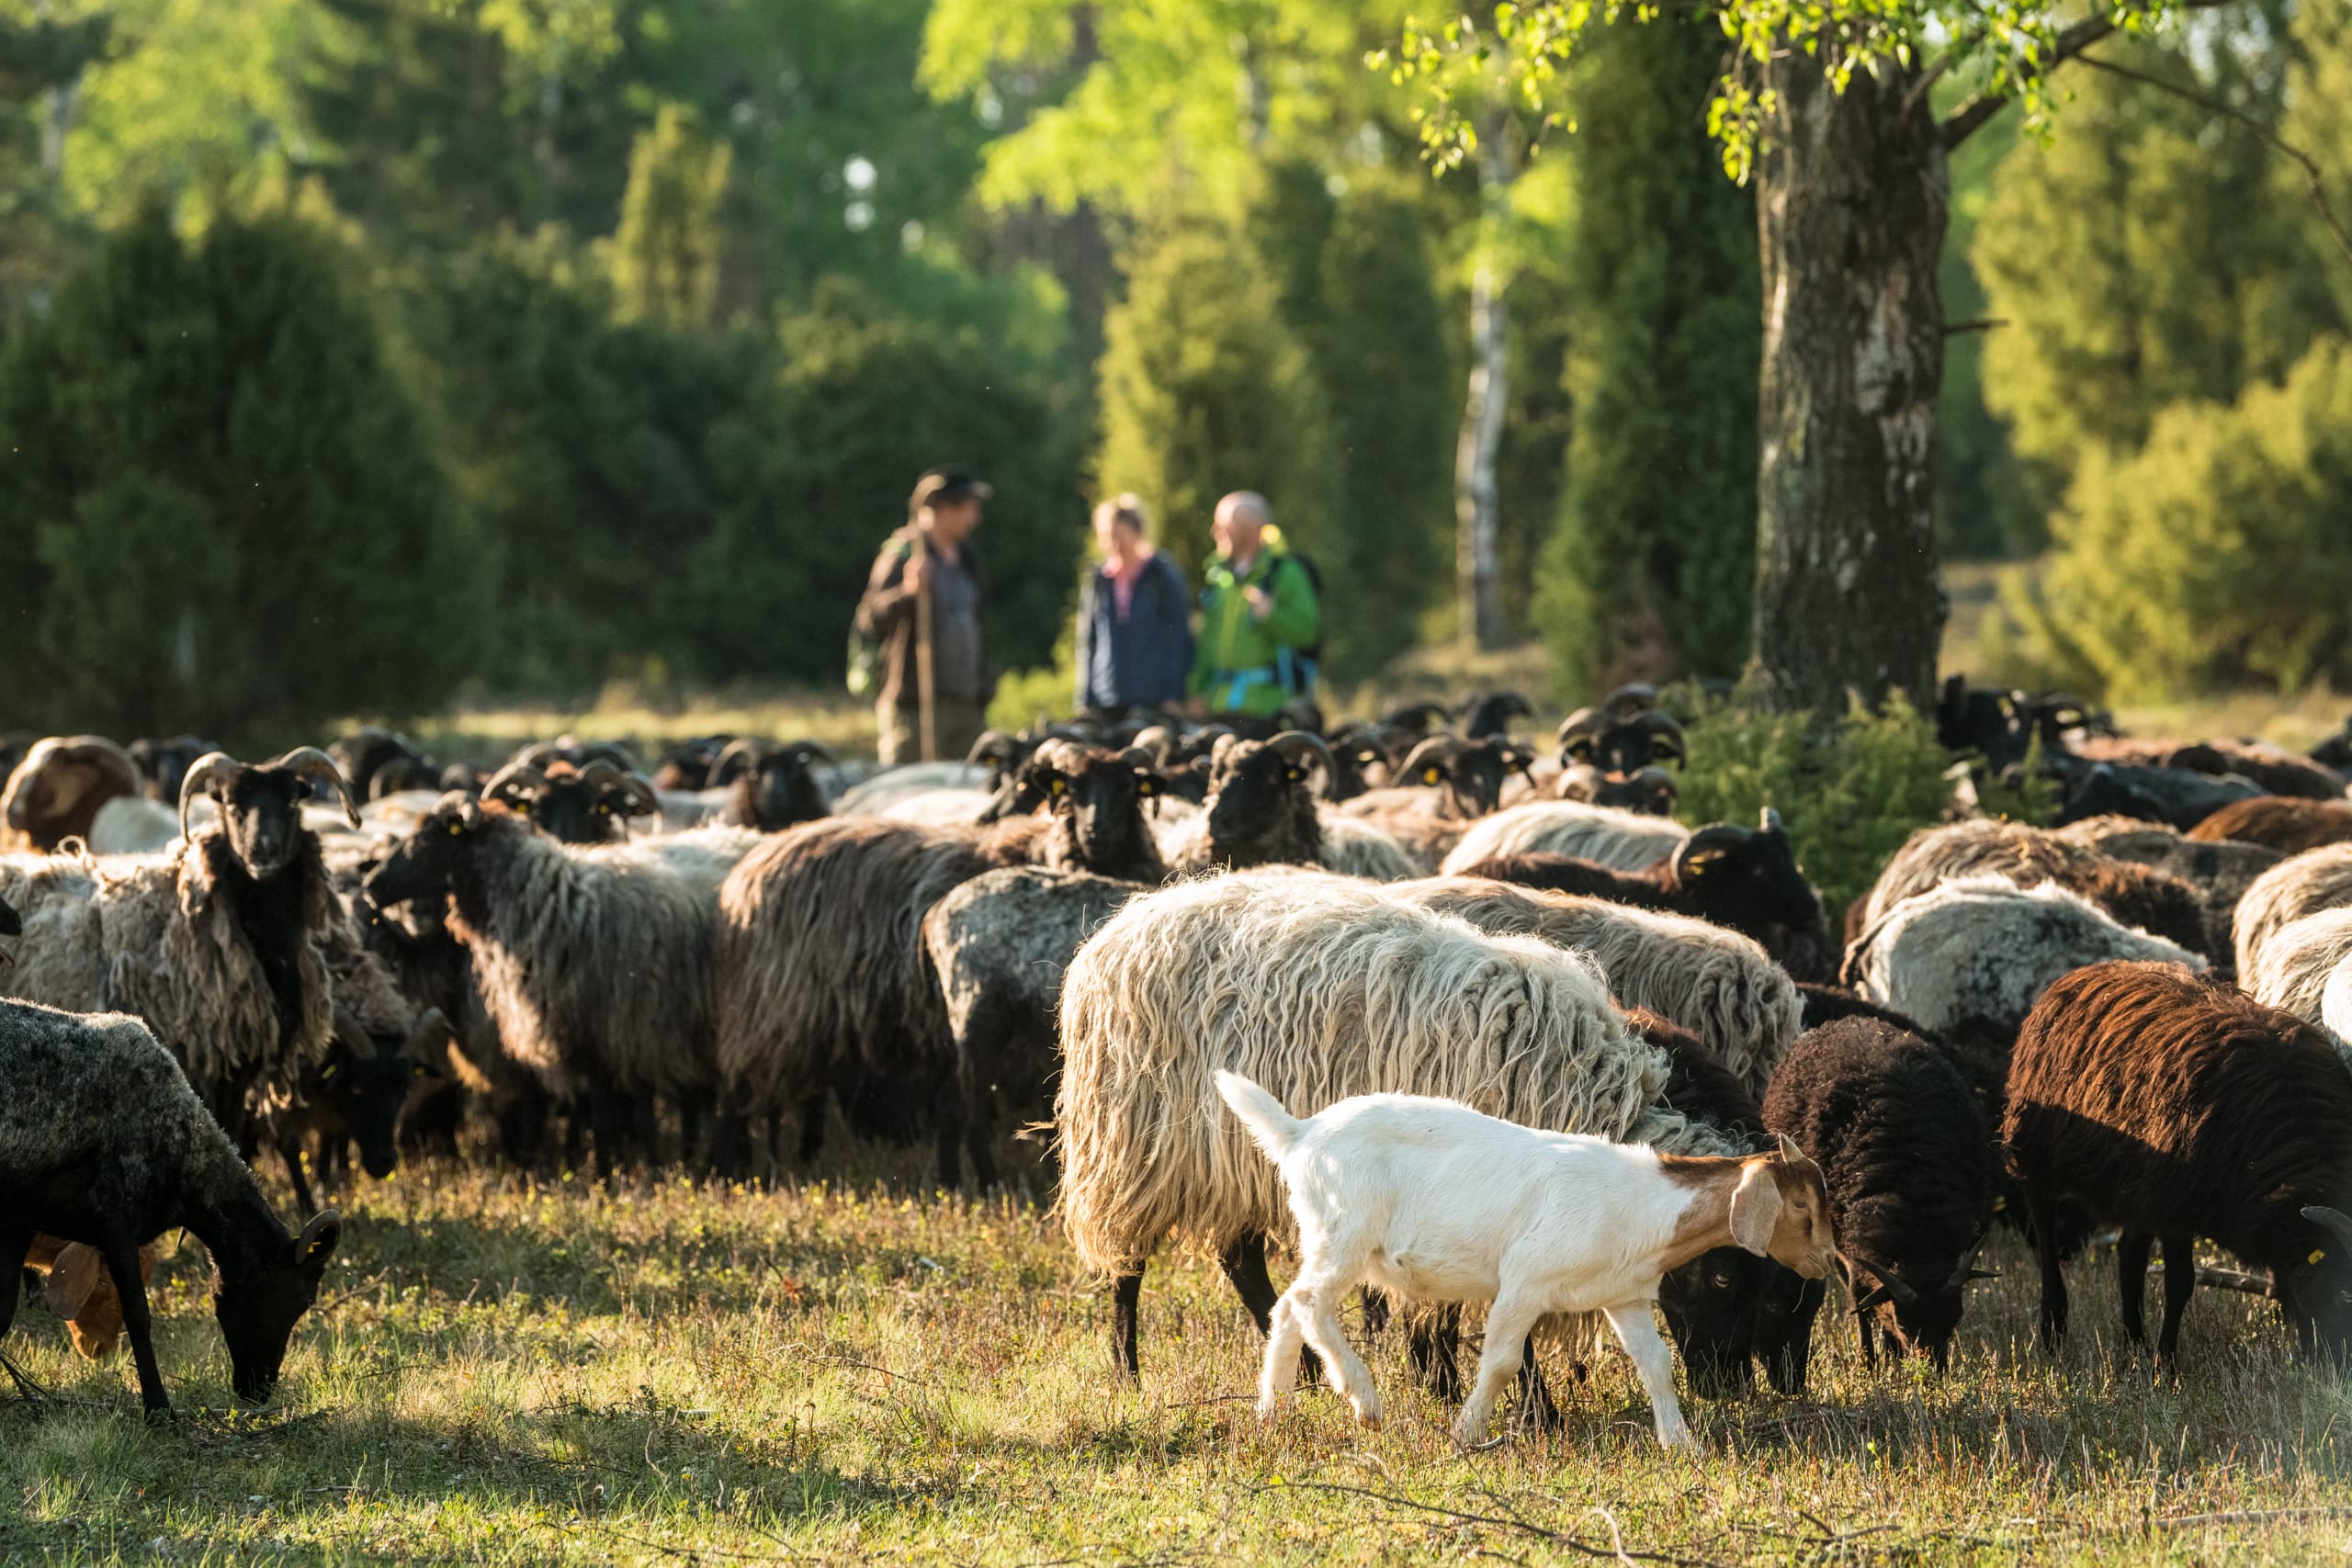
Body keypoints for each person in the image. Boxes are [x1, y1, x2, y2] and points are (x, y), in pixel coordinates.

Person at [855, 467, 995, 765]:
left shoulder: (967, 558)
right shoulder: (904, 553)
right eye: (969, 509)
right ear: (944, 509)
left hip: (967, 704)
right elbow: (870, 618)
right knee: (908, 785)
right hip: (916, 707)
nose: (975, 520)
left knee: (972, 784)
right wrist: (907, 592)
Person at [1188, 491, 1320, 720]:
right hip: (1218, 706)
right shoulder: (1218, 577)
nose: (1215, 531)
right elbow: (1208, 641)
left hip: (1267, 709)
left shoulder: (1286, 573)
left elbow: (1308, 632)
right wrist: (1197, 690)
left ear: (1252, 528)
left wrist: (1271, 615)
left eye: (1224, 524)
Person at [1074, 494, 1193, 719]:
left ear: (1137, 532)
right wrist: (1084, 699)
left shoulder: (1160, 575)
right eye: (1108, 537)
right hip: (1107, 696)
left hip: (1153, 697)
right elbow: (1088, 641)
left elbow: (1178, 637)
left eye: (1120, 536)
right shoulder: (1099, 580)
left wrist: (1174, 694)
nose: (1115, 544)